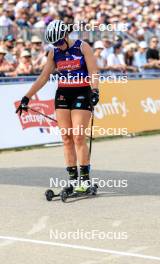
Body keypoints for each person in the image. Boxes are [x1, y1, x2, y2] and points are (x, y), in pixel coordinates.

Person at [16, 19, 99, 193]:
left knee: (78, 137)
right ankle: (72, 180)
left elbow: (93, 71)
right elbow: (43, 77)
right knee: (66, 138)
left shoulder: (82, 47)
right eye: (54, 43)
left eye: (60, 42)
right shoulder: (54, 53)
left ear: (66, 35)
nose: (58, 46)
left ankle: (84, 180)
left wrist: (95, 90)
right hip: (63, 94)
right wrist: (26, 97)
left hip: (82, 93)